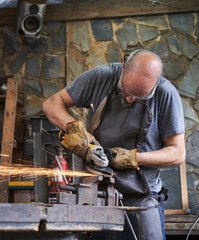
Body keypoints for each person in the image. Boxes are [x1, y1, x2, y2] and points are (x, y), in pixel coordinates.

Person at [42, 49, 185, 240]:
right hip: (97, 194)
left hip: (143, 199)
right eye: (125, 92)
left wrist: (131, 158)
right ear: (124, 68)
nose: (129, 99)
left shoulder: (166, 94)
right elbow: (51, 104)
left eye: (139, 97)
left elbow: (177, 153)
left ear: (156, 83)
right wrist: (76, 131)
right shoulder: (102, 77)